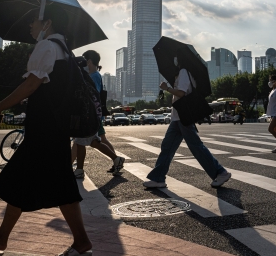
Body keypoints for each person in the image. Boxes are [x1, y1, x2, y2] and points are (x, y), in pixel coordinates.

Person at [0, 5, 92, 256]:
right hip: (54, 129)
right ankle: (78, 242)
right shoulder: (65, 51)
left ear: (47, 23)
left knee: (23, 180)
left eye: (34, 22)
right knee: (54, 184)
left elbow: (30, 84)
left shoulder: (47, 46)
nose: (30, 27)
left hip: (44, 130)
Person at [144, 49, 231, 188]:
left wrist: (167, 88)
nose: (174, 60)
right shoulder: (181, 73)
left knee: (196, 147)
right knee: (167, 146)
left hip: (183, 116)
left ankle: (220, 172)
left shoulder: (184, 72)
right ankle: (158, 177)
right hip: (177, 117)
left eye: (176, 57)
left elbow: (181, 93)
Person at [72, 50, 124, 178]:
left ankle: (115, 159)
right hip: (91, 114)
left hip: (90, 115)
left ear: (89, 61)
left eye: (84, 61)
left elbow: (90, 94)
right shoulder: (92, 75)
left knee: (87, 141)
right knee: (86, 141)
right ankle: (115, 160)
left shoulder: (93, 76)